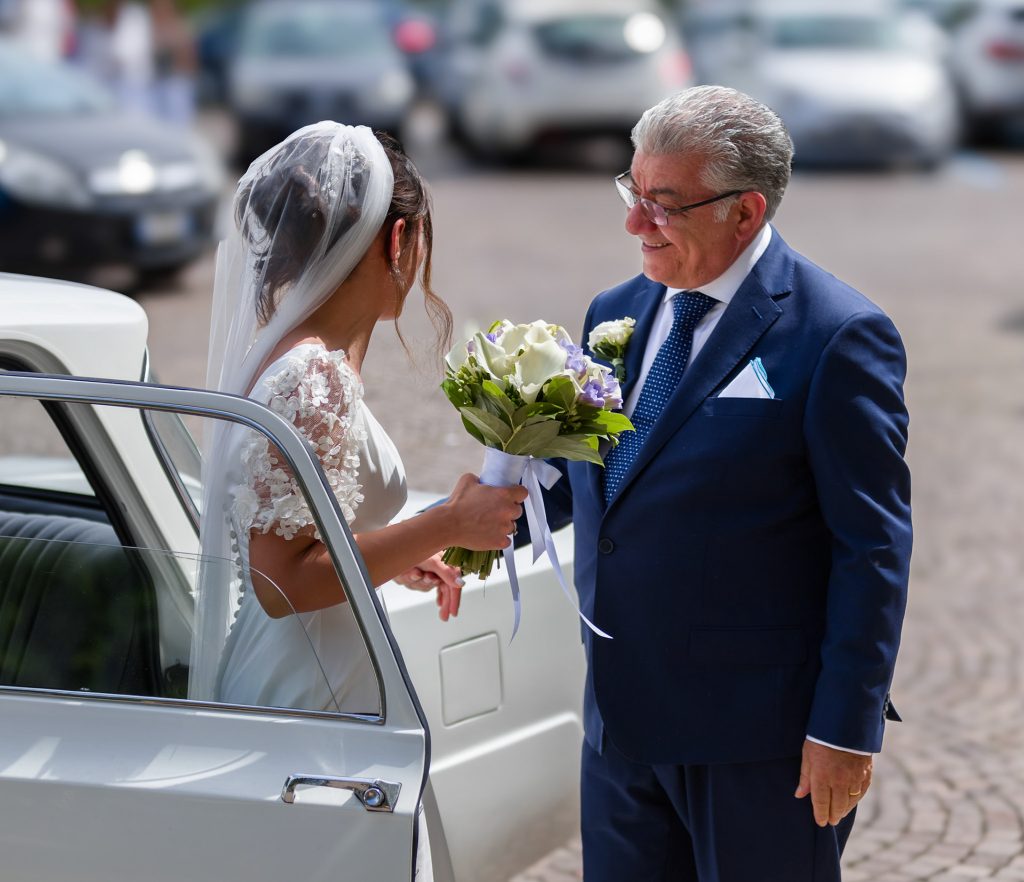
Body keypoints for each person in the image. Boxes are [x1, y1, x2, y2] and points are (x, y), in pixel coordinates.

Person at [527, 86, 912, 881]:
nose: (635, 223)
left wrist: (846, 730)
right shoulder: (617, 310)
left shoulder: (839, 336)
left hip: (760, 746)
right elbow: (596, 481)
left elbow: (871, 547)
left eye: (663, 204)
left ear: (746, 212)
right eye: (632, 193)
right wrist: (482, 515)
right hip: (621, 729)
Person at [190, 123, 525, 722]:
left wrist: (398, 551)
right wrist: (449, 522)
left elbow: (307, 536)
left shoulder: (283, 351)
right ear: (399, 239)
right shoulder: (314, 376)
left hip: (301, 673)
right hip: (309, 696)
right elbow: (282, 584)